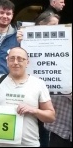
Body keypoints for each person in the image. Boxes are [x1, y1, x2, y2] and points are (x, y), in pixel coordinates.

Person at [0, 47, 55, 147]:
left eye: (20, 59)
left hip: (29, 144)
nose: (15, 62)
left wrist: (34, 110)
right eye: (12, 59)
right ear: (7, 62)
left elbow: (51, 116)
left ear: (27, 62)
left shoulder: (38, 84)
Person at [17, 11, 70, 147]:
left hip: (59, 114)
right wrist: (22, 42)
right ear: (41, 25)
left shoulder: (66, 44)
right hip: (38, 106)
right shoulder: (26, 42)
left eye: (58, 25)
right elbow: (17, 62)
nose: (57, 28)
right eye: (53, 25)